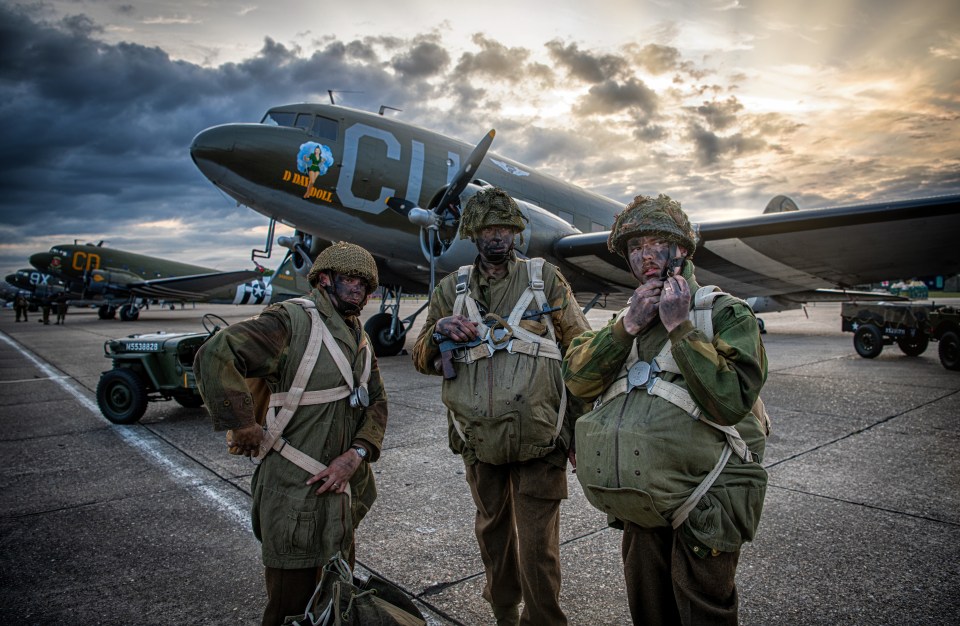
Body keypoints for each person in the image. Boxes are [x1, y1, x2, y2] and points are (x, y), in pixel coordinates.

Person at [562, 194, 768, 625]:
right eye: (635, 248)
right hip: (641, 501)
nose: (645, 255)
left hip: (704, 499)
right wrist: (625, 328)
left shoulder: (725, 314)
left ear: (682, 249)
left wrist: (680, 327)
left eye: (656, 242)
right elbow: (578, 380)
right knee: (648, 610)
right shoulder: (630, 317)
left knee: (703, 612)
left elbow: (730, 401)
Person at [412, 188, 591, 626]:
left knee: (537, 544)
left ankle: (545, 620)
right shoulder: (451, 289)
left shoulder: (543, 278)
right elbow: (419, 354)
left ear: (516, 232)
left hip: (540, 437)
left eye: (506, 228)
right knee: (493, 534)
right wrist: (438, 332)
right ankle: (504, 613)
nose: (498, 237)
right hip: (478, 438)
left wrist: (580, 429)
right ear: (474, 234)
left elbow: (581, 349)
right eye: (489, 229)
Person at [194, 241, 387, 626]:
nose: (358, 290)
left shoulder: (358, 336)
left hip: (341, 493)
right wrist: (243, 423)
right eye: (349, 280)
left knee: (336, 601)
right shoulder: (290, 322)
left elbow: (377, 402)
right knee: (289, 609)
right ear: (324, 280)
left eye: (365, 285)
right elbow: (217, 353)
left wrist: (358, 454)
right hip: (292, 490)